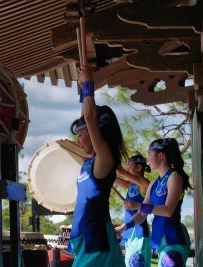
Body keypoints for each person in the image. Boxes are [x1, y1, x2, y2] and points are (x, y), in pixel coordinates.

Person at [68, 67, 127, 267]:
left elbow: (90, 118)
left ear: (96, 132)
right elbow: (87, 117)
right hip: (87, 234)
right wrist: (82, 93)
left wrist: (88, 86)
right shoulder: (90, 163)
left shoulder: (105, 160)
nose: (78, 141)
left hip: (97, 236)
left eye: (80, 135)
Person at [125, 138, 192, 267]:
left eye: (150, 155)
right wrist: (123, 227)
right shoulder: (153, 185)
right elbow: (142, 214)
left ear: (160, 155)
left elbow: (168, 210)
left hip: (173, 238)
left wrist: (139, 205)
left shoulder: (174, 177)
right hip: (161, 239)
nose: (147, 160)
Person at [114, 154, 152, 267]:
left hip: (139, 231)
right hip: (129, 231)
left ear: (139, 168)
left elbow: (121, 172)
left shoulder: (145, 184)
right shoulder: (131, 185)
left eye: (129, 166)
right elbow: (112, 178)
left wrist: (107, 162)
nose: (126, 169)